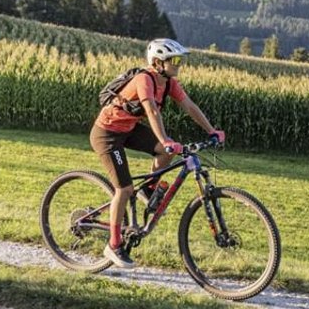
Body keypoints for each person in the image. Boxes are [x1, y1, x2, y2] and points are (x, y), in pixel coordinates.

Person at [90, 37, 223, 267]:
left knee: (165, 152)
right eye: (175, 60)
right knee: (124, 188)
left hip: (128, 129)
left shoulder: (169, 82)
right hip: (107, 135)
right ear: (158, 62)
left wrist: (212, 130)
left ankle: (148, 190)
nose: (179, 64)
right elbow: (151, 110)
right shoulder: (145, 79)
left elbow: (189, 106)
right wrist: (165, 139)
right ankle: (113, 245)